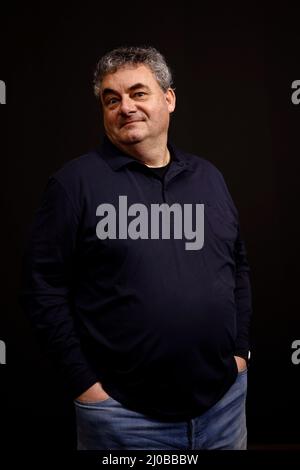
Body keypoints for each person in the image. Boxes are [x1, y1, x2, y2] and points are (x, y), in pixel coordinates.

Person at [20, 46, 252, 450]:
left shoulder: (208, 178)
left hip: (224, 406)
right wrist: (86, 386)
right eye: (112, 99)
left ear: (169, 98)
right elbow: (44, 289)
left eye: (138, 93)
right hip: (123, 419)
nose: (125, 107)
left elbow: (238, 267)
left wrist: (240, 353)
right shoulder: (75, 185)